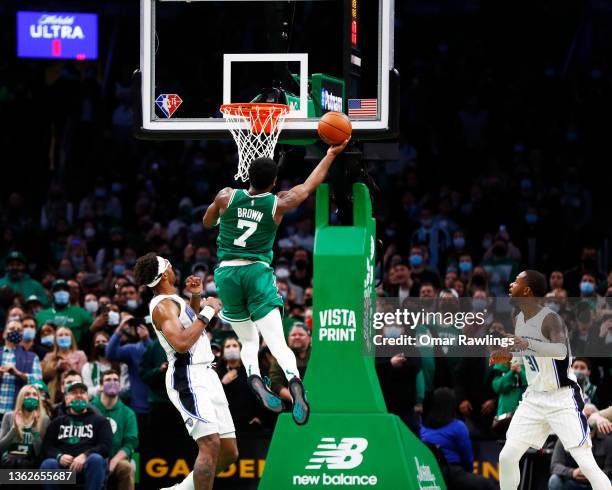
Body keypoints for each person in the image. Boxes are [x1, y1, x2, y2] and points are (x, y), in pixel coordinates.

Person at [202, 140, 349, 425]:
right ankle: (295, 383)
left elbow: (208, 222)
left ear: (247, 174)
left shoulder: (225, 195)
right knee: (277, 342)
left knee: (247, 339)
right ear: (274, 182)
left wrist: (223, 211)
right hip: (256, 271)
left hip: (226, 273)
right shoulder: (278, 202)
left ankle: (255, 376)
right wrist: (330, 155)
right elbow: (308, 186)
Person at [497, 270, 611, 490]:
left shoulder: (550, 318)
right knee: (507, 456)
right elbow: (529, 355)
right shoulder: (520, 318)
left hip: (561, 398)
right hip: (534, 398)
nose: (511, 285)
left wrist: (525, 345)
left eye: (516, 282)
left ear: (527, 290)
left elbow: (559, 351)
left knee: (587, 464)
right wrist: (510, 355)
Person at [134, 253, 238, 490]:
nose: (173, 266)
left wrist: (197, 297)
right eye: (169, 264)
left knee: (229, 451)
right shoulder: (162, 306)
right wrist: (208, 311)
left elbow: (188, 324)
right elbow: (181, 343)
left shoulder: (173, 299)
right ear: (163, 275)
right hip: (187, 376)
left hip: (206, 373)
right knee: (210, 444)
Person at [40, 381, 112, 490]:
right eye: (74, 392)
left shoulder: (101, 421)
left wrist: (85, 455)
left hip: (88, 468)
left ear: (87, 398)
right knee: (48, 464)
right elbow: (47, 447)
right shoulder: (57, 422)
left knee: (96, 459)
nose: (78, 395)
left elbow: (106, 446)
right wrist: (59, 456)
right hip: (64, 473)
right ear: (67, 399)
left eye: (82, 392)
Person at [420, 387, 495, 490]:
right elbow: (467, 459)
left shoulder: (422, 429)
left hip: (429, 473)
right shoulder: (458, 426)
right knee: (486, 484)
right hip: (452, 472)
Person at [91, 369, 138, 490]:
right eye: (108, 380)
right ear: (100, 386)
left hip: (116, 460)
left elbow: (130, 443)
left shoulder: (128, 413)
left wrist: (114, 462)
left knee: (127, 467)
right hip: (91, 458)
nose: (112, 382)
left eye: (116, 380)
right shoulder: (90, 408)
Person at [548, 404, 612, 490]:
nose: (586, 419)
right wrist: (572, 472)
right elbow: (555, 466)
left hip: (596, 484)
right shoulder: (565, 437)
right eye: (583, 415)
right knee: (554, 480)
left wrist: (594, 475)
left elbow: (609, 469)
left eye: (590, 416)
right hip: (572, 482)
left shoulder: (607, 440)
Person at [216, 337, 266, 431]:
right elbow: (214, 398)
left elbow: (261, 395)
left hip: (250, 424)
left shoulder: (251, 370)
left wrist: (259, 417)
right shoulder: (217, 373)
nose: (231, 348)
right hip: (226, 424)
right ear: (222, 352)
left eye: (235, 346)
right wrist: (223, 383)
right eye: (228, 346)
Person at [0, 320, 42, 421]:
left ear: (22, 335)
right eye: (11, 329)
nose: (15, 331)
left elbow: (38, 383)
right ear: (4, 334)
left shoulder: (32, 357)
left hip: (18, 413)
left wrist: (18, 373)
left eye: (18, 330)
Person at [0, 384, 50, 468]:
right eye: (27, 394)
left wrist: (34, 427)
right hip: (9, 462)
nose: (31, 397)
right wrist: (14, 429)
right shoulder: (9, 416)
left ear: (38, 399)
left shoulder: (44, 419)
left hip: (31, 463)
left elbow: (39, 452)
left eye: (35, 395)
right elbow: (1, 448)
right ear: (21, 398)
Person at [36, 279, 93, 346]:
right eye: (58, 290)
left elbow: (91, 333)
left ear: (69, 293)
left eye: (65, 290)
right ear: (52, 294)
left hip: (74, 352)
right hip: (47, 352)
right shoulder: (41, 316)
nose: (62, 292)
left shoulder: (81, 313)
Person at [41, 327, 87, 403]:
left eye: (66, 335)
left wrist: (69, 368)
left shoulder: (80, 355)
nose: (63, 337)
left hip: (74, 392)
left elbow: (83, 376)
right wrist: (57, 367)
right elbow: (44, 376)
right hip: (54, 394)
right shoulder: (49, 356)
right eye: (60, 335)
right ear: (56, 339)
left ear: (71, 338)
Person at [269, 324, 311, 404]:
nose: (297, 337)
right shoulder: (281, 356)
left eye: (301, 334)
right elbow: (275, 383)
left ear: (309, 338)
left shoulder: (316, 354)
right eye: (293, 335)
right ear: (288, 339)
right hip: (289, 405)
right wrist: (297, 399)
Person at [82, 331, 129, 400]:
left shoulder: (122, 366)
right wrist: (104, 388)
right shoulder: (88, 367)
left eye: (104, 341)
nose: (101, 344)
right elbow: (87, 391)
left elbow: (125, 389)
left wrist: (107, 389)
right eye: (97, 342)